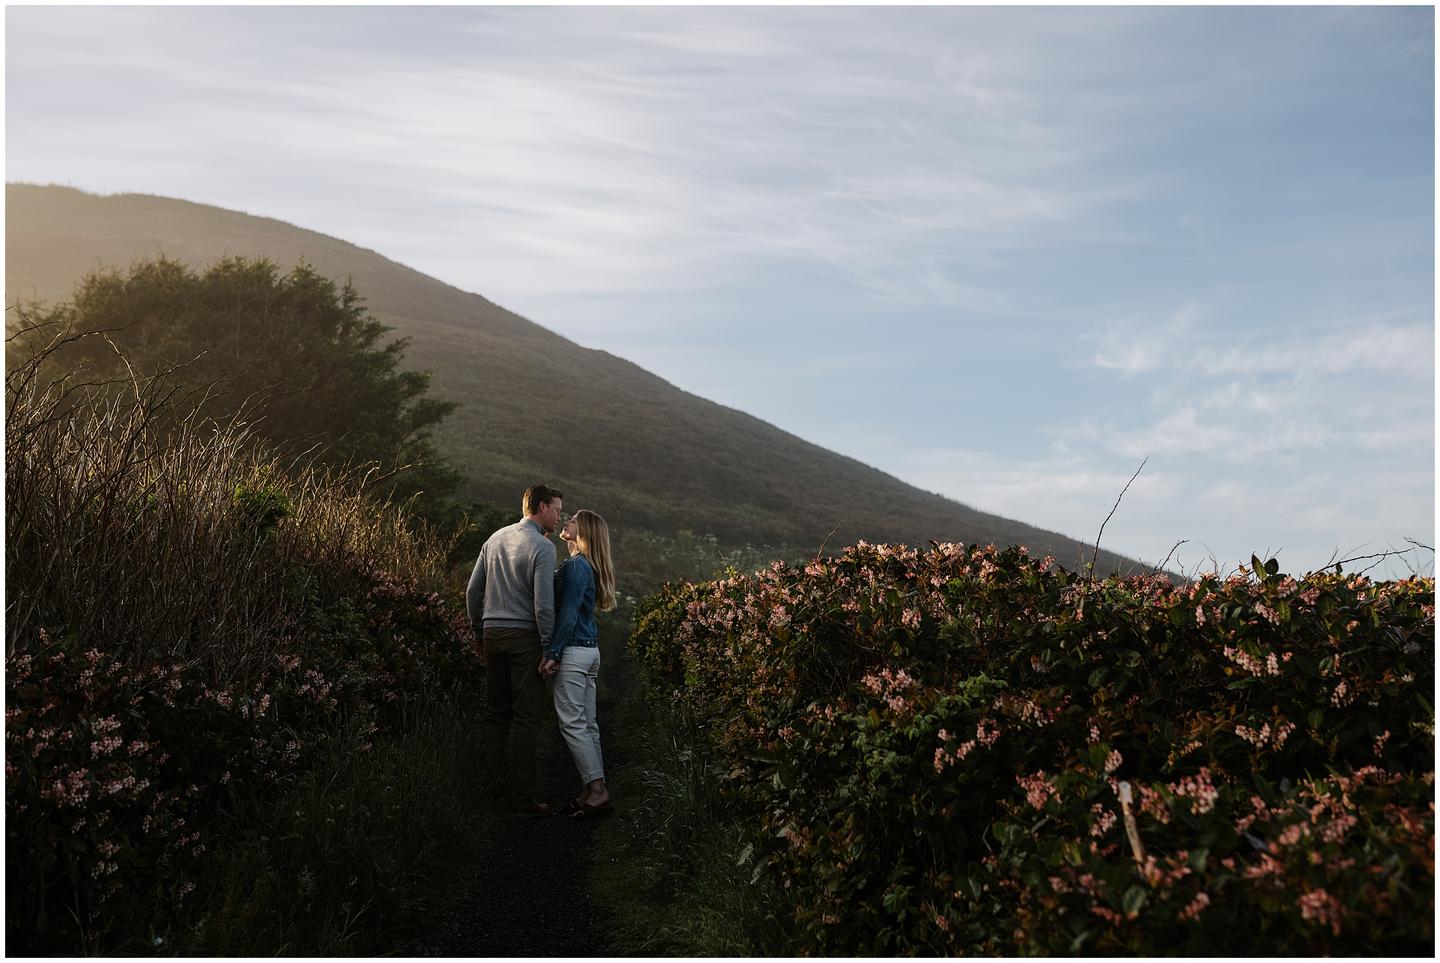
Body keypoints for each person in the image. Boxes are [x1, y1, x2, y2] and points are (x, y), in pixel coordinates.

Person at [466, 484, 563, 816]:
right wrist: (549, 647)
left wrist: (479, 632)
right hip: (524, 639)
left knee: (496, 714)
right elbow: (543, 606)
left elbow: (472, 592)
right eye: (556, 509)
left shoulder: (494, 539)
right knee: (526, 719)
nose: (559, 516)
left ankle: (488, 793)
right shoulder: (543, 547)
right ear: (540, 507)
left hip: (492, 633)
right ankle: (522, 800)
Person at [546, 509, 617, 818]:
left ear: (583, 532)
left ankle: (598, 789)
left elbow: (569, 613)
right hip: (589, 651)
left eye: (573, 520)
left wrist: (553, 652)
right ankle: (592, 789)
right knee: (587, 725)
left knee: (573, 724)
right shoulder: (584, 565)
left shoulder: (577, 566)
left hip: (574, 651)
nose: (566, 522)